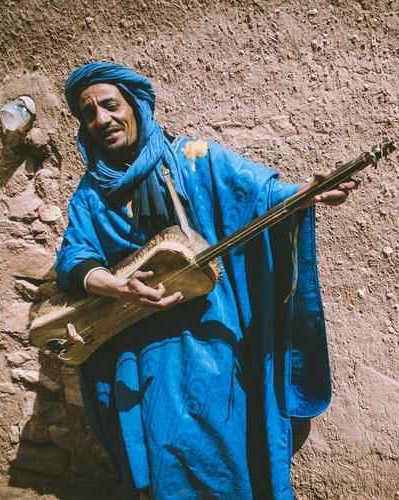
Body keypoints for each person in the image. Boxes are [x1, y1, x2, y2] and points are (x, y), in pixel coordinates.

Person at [54, 62, 358, 500]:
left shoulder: (196, 161)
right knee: (161, 460)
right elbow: (76, 259)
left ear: (135, 106)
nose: (102, 119)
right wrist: (115, 286)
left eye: (109, 105)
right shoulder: (91, 195)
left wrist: (305, 195)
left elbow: (259, 196)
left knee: (221, 450)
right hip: (137, 349)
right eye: (89, 113)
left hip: (210, 339)